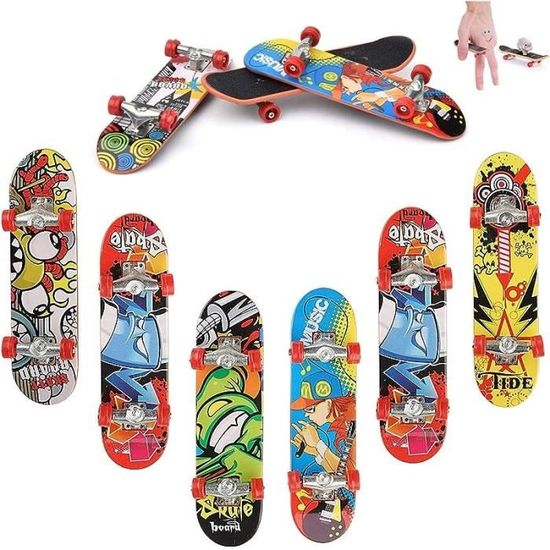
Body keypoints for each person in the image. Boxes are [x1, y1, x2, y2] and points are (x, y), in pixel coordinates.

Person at [457, 1, 499, 90]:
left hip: (485, 20)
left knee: (490, 63)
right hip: (477, 18)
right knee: (488, 63)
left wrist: (485, 15)